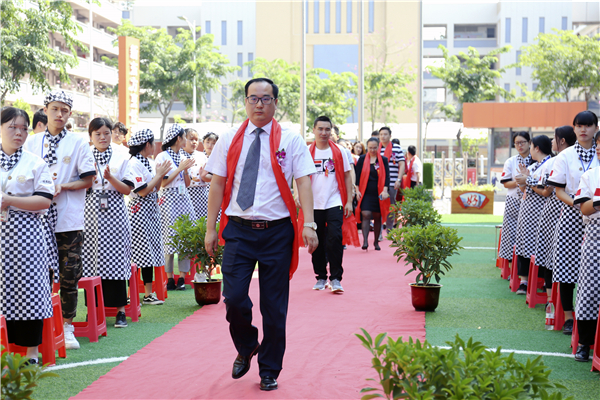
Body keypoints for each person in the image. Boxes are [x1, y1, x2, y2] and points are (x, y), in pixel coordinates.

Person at [204, 77, 318, 391]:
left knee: (274, 306)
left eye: (266, 99)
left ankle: (269, 369)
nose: (259, 104)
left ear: (275, 103)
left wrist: (309, 223)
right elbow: (217, 184)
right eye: (253, 98)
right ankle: (247, 344)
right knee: (235, 297)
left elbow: (304, 182)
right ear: (245, 102)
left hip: (277, 232)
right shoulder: (229, 139)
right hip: (239, 230)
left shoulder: (291, 140)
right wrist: (210, 228)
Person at [24, 90, 96, 350]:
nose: (59, 114)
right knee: (38, 272)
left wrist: (63, 186)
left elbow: (89, 179)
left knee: (69, 273)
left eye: (65, 110)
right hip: (36, 218)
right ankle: (42, 323)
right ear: (45, 109)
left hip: (69, 219)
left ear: (70, 114)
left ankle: (67, 326)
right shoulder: (32, 142)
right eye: (55, 109)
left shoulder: (78, 142)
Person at [0, 107, 54, 365]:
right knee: (3, 291)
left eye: (23, 128)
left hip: (27, 238)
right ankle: (4, 350)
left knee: (29, 291)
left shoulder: (35, 162)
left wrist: (7, 200)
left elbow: (44, 200)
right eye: (13, 127)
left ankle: (32, 352)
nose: (19, 132)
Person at [547, 111, 600, 335]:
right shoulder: (565, 156)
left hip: (597, 217)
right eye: (579, 125)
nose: (583, 130)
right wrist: (579, 205)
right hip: (571, 214)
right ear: (574, 128)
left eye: (588, 125)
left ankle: (592, 317)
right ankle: (570, 317)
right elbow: (558, 190)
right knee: (568, 268)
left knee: (591, 271)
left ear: (596, 127)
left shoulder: (599, 153)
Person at [81, 118, 133, 328]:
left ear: (112, 134)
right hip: (90, 212)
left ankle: (120, 311)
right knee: (92, 260)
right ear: (91, 137)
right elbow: (82, 185)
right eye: (97, 134)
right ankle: (93, 311)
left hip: (114, 211)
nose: (102, 138)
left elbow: (128, 189)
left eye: (106, 133)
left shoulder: (122, 154)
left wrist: (110, 178)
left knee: (116, 259)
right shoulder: (84, 154)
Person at [298, 116, 356, 293]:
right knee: (317, 240)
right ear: (314, 130)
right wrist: (298, 195)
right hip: (313, 203)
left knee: (335, 238)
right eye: (320, 129)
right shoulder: (306, 151)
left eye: (327, 129)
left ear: (331, 131)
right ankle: (321, 277)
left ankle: (336, 278)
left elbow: (347, 176)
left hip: (334, 201)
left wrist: (348, 201)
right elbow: (298, 176)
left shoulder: (340, 151)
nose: (324, 132)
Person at [127, 129, 171, 305]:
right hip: (139, 211)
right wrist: (159, 175)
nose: (154, 146)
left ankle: (147, 294)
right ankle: (139, 294)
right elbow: (143, 190)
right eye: (153, 143)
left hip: (151, 211)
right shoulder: (134, 164)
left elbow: (156, 187)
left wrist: (159, 175)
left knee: (149, 251)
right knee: (141, 252)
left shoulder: (147, 161)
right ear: (147, 145)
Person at [532, 126, 576, 301]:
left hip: (558, 211)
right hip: (555, 211)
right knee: (550, 256)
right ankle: (551, 300)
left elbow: (546, 191)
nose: (552, 142)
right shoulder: (558, 159)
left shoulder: (556, 160)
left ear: (562, 140)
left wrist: (528, 181)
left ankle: (552, 301)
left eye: (554, 138)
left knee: (552, 256)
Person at [155, 124, 196, 291]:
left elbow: (187, 183)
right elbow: (163, 182)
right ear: (178, 138)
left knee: (185, 235)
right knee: (169, 236)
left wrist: (185, 171)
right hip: (168, 198)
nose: (186, 140)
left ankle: (183, 278)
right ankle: (170, 277)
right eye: (185, 137)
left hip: (183, 197)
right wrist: (180, 168)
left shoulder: (183, 155)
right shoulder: (162, 156)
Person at [572, 128, 600, 362]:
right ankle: (584, 343)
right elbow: (584, 208)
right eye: (598, 147)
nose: (599, 150)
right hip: (595, 239)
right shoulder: (591, 176)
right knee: (589, 291)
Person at [513, 135, 552, 295]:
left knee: (540, 246)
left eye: (531, 146)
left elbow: (545, 190)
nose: (529, 150)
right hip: (527, 211)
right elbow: (526, 189)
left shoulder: (549, 163)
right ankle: (524, 281)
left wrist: (527, 180)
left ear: (537, 148)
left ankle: (542, 282)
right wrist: (523, 180)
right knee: (524, 244)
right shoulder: (536, 165)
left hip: (539, 212)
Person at [497, 132, 532, 280]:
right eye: (517, 143)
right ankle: (513, 270)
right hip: (513, 201)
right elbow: (505, 183)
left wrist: (525, 181)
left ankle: (528, 272)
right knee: (511, 234)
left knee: (528, 236)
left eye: (523, 142)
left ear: (529, 143)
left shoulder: (535, 160)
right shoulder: (510, 161)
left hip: (531, 202)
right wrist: (521, 182)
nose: (520, 145)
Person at [355, 137, 390, 251]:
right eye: (370, 148)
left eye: (375, 148)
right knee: (365, 214)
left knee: (377, 216)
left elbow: (387, 177)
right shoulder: (362, 159)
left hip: (378, 192)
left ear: (378, 147)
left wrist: (385, 190)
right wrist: (357, 190)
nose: (372, 150)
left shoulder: (383, 160)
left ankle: (376, 242)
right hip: (365, 192)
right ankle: (365, 241)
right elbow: (357, 176)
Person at [378, 127, 404, 232]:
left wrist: (399, 179)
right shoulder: (377, 148)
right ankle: (378, 231)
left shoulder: (396, 148)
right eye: (381, 134)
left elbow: (402, 164)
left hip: (393, 182)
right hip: (379, 183)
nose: (383, 136)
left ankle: (389, 228)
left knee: (391, 205)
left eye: (385, 134)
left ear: (390, 136)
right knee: (378, 206)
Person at [180, 128, 208, 220]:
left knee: (201, 221)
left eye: (196, 140)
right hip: (185, 194)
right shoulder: (179, 155)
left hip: (201, 194)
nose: (194, 142)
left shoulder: (202, 156)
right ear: (184, 139)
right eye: (191, 139)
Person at [199, 132, 219, 219]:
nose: (210, 145)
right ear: (203, 142)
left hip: (214, 191)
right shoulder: (198, 157)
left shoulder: (219, 158)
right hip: (199, 194)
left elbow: (216, 177)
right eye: (207, 142)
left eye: (213, 143)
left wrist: (204, 176)